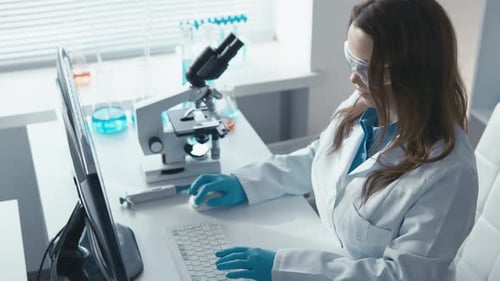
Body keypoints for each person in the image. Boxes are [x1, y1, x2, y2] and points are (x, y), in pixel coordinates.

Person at [188, 0, 479, 280]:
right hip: (323, 247)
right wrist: (248, 183)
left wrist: (286, 268)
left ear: (414, 73)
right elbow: (322, 157)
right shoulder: (366, 105)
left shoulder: (448, 175)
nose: (353, 77)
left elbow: (403, 275)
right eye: (351, 60)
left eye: (368, 69)